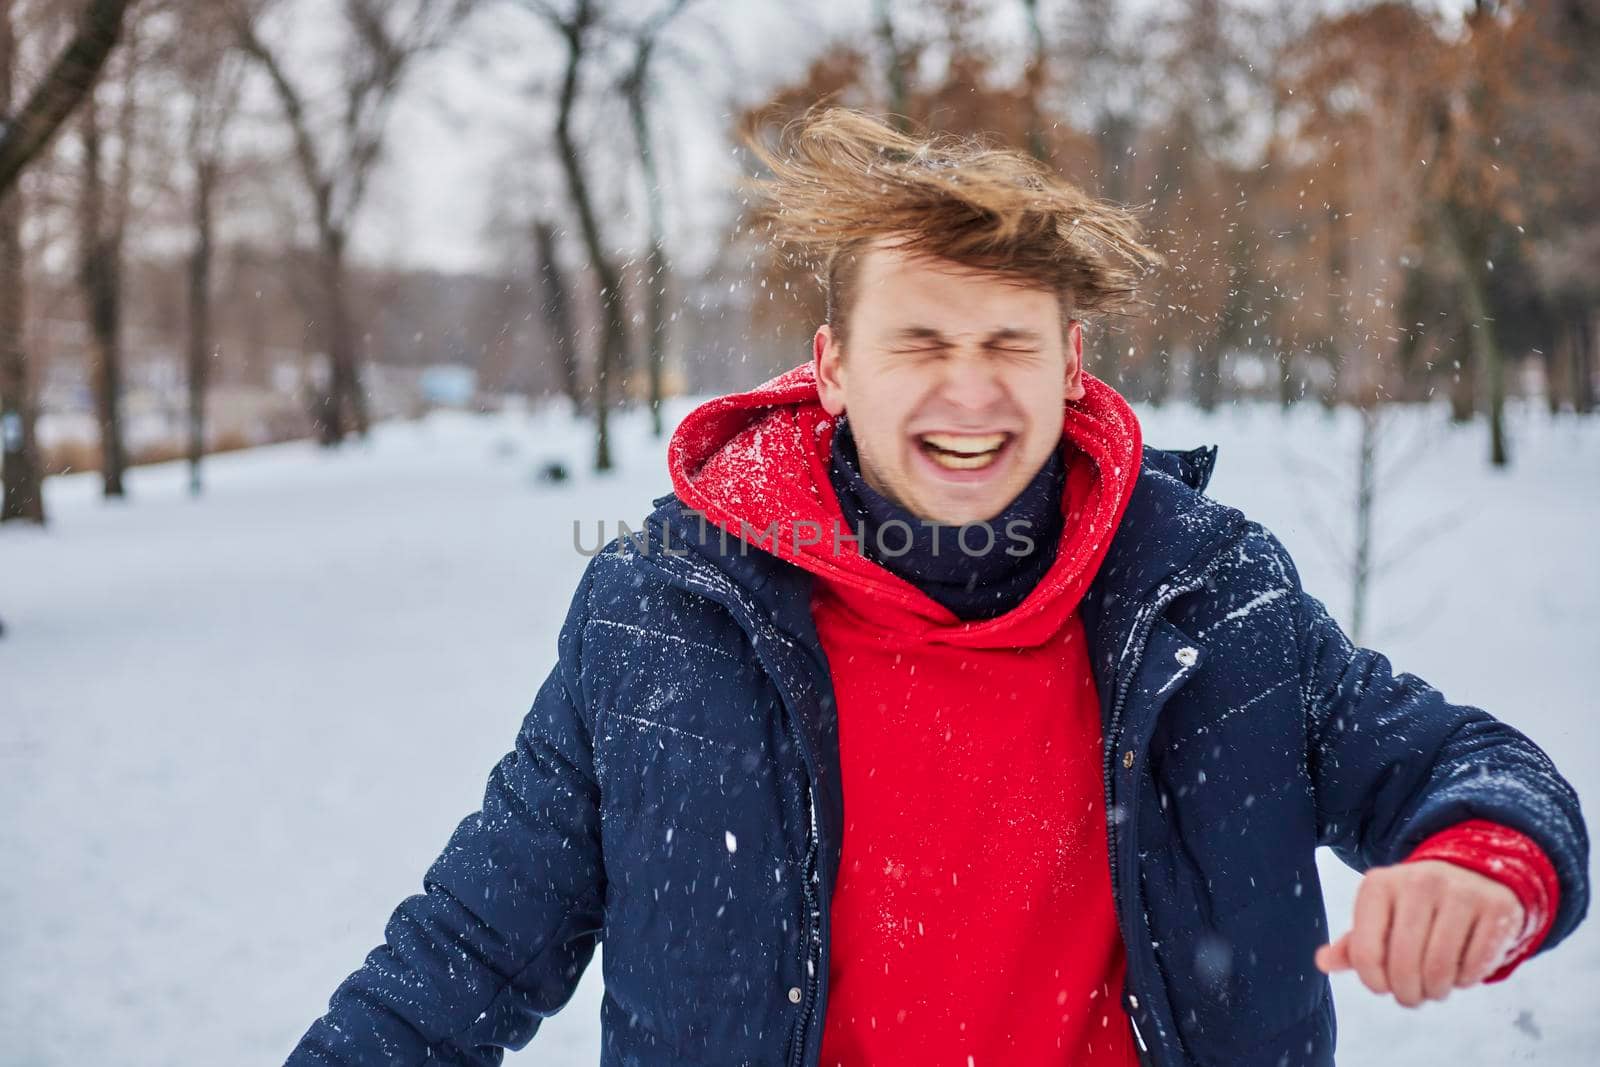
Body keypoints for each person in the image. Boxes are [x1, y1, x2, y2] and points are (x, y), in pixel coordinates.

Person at [285, 110, 1587, 1067]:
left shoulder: (1207, 599)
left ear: (1072, 364)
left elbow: (1476, 776)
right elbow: (465, 955)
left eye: (1007, 344)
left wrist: (1484, 865)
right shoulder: (663, 613)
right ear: (833, 366)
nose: (969, 393)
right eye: (920, 342)